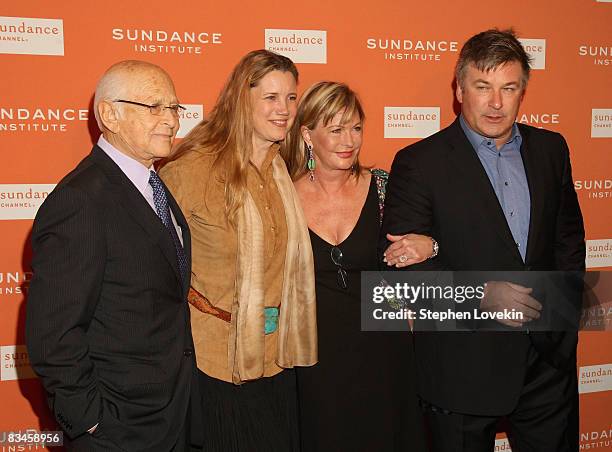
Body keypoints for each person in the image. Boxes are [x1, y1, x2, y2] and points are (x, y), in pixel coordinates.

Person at [381, 29, 585, 452]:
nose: (496, 103)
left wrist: (562, 321)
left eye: (508, 88)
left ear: (522, 93)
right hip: (462, 367)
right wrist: (480, 293)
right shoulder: (419, 164)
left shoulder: (551, 150)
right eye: (483, 87)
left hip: (546, 365)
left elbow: (568, 240)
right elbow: (408, 274)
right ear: (459, 89)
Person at [25, 60, 196, 451]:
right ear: (110, 115)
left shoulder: (153, 184)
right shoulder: (80, 200)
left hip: (173, 415)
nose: (170, 120)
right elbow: (53, 336)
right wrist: (90, 423)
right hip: (116, 430)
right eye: (153, 107)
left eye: (173, 108)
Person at [159, 50, 316, 452]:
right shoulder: (192, 169)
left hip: (277, 358)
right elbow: (155, 268)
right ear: (240, 101)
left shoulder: (284, 169)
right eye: (270, 97)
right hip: (215, 363)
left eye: (290, 97)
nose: (284, 110)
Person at [283, 81, 432, 451]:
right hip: (317, 358)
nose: (349, 140)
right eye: (335, 130)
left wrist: (430, 246)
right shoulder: (281, 195)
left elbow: (428, 251)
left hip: (386, 352)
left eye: (355, 128)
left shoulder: (384, 187)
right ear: (306, 134)